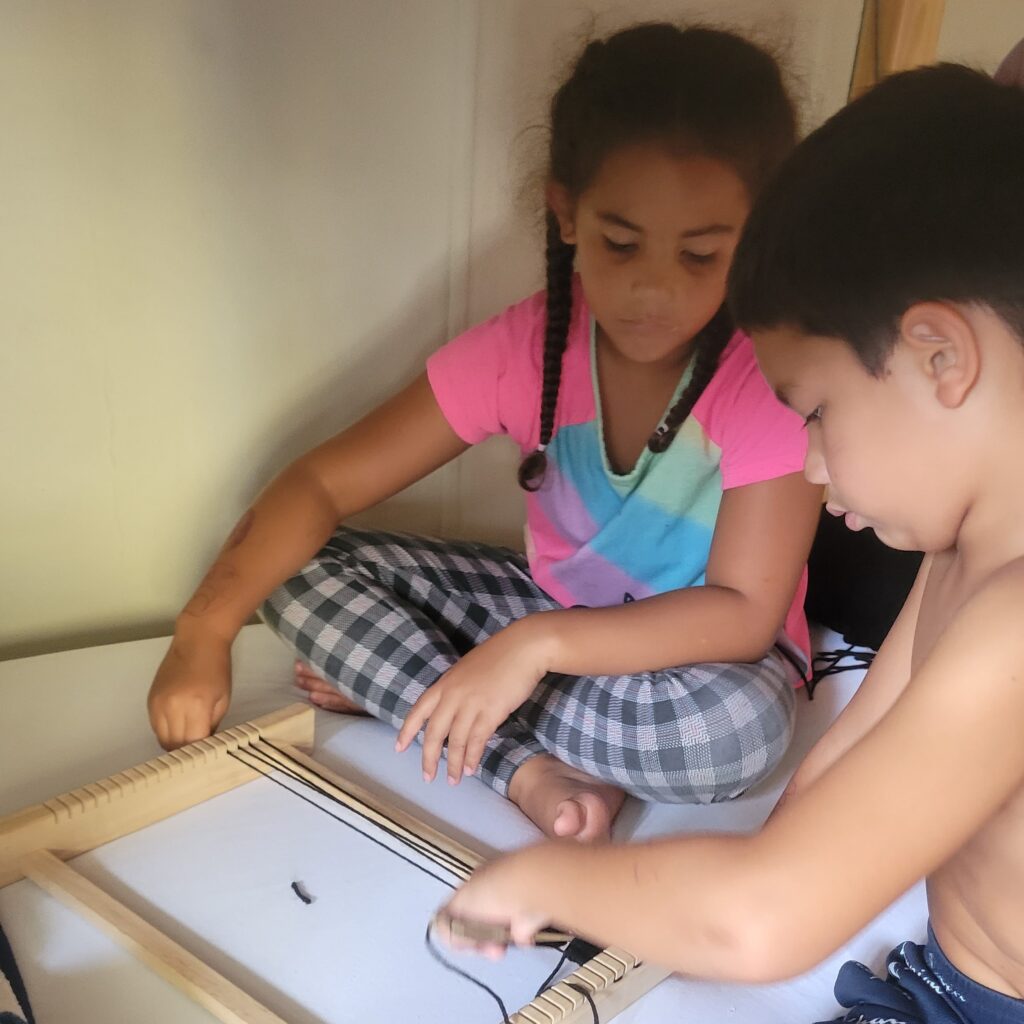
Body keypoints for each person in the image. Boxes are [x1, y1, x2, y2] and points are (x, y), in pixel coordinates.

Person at [435, 64, 1024, 1024]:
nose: (818, 467)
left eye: (821, 415)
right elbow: (847, 755)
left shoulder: (1017, 619)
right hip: (948, 979)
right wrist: (695, 892)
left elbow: (765, 921)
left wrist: (541, 883)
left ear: (939, 356)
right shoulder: (961, 557)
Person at [148, 23, 820, 844]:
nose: (654, 288)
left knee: (734, 739)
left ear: (755, 242)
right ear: (566, 214)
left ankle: (428, 687)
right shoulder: (527, 348)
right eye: (621, 242)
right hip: (554, 614)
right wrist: (202, 629)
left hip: (705, 668)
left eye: (702, 256)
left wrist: (527, 649)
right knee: (297, 569)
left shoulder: (764, 373)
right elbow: (321, 487)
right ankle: (519, 762)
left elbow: (745, 612)